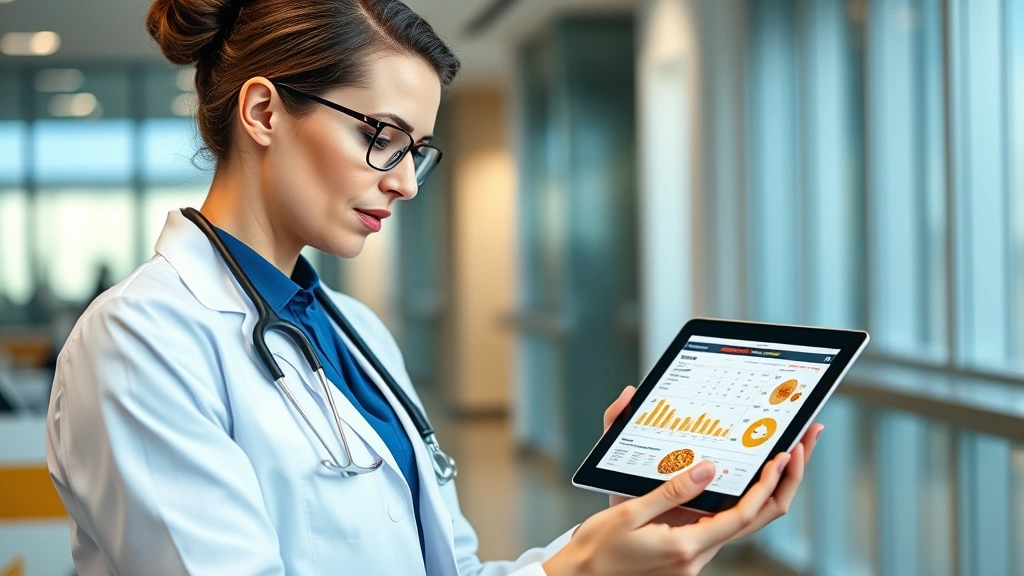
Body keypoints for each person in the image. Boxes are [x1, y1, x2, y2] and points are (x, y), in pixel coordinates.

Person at [44, 0, 823, 574]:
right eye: (382, 137)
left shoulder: (351, 330)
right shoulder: (141, 341)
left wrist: (610, 549)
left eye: (419, 149)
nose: (408, 183)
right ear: (262, 111)